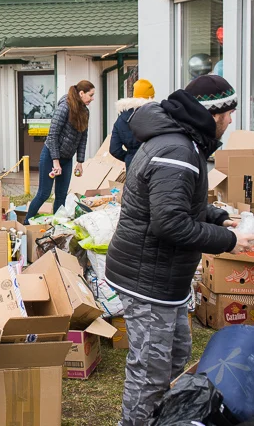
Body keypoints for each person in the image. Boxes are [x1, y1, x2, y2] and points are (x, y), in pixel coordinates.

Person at [106, 75, 254, 426]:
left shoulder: (181, 142)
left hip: (161, 277)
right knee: (150, 375)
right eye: (228, 112)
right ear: (212, 113)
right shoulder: (177, 150)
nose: (231, 120)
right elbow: (169, 223)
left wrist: (219, 218)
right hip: (147, 279)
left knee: (175, 357)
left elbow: (179, 202)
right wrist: (231, 242)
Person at [25, 80, 94, 223]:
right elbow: (52, 136)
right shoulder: (64, 108)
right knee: (44, 194)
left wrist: (80, 162)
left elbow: (83, 137)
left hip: (67, 159)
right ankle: (26, 223)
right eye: (90, 95)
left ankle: (57, 227)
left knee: (61, 195)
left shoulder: (85, 112)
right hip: (51, 156)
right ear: (81, 94)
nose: (92, 98)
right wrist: (55, 162)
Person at [110, 79, 155, 171]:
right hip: (152, 163)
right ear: (151, 97)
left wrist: (129, 158)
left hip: (132, 165)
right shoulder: (154, 115)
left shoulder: (121, 119)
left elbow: (114, 149)